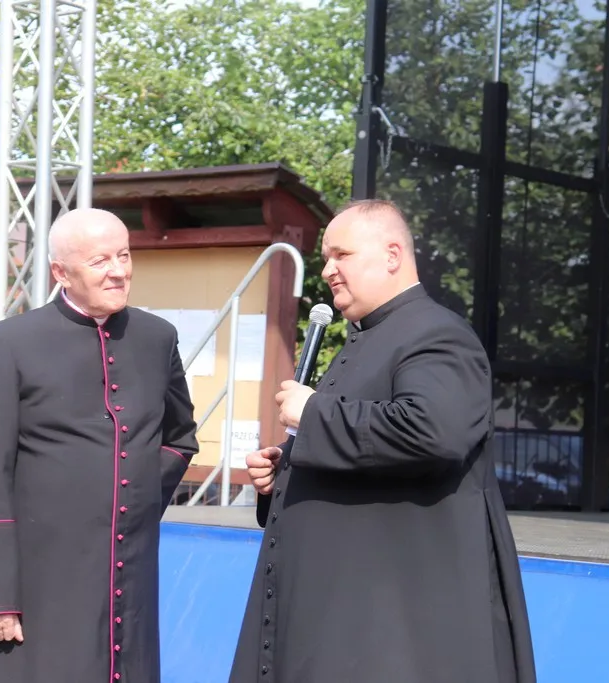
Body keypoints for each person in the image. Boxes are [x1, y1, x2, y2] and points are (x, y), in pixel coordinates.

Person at [228, 199, 537, 683]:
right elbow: (365, 445)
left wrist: (314, 413)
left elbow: (432, 432)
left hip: (390, 629)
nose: (327, 270)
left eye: (341, 255)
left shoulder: (437, 334)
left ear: (392, 255)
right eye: (325, 258)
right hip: (337, 614)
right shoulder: (369, 338)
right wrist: (284, 466)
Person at [0, 207, 200, 683]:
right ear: (61, 273)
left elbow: (179, 436)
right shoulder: (9, 343)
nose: (118, 271)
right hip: (36, 573)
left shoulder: (157, 337)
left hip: (128, 570)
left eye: (124, 255)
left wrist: (135, 496)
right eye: (100, 260)